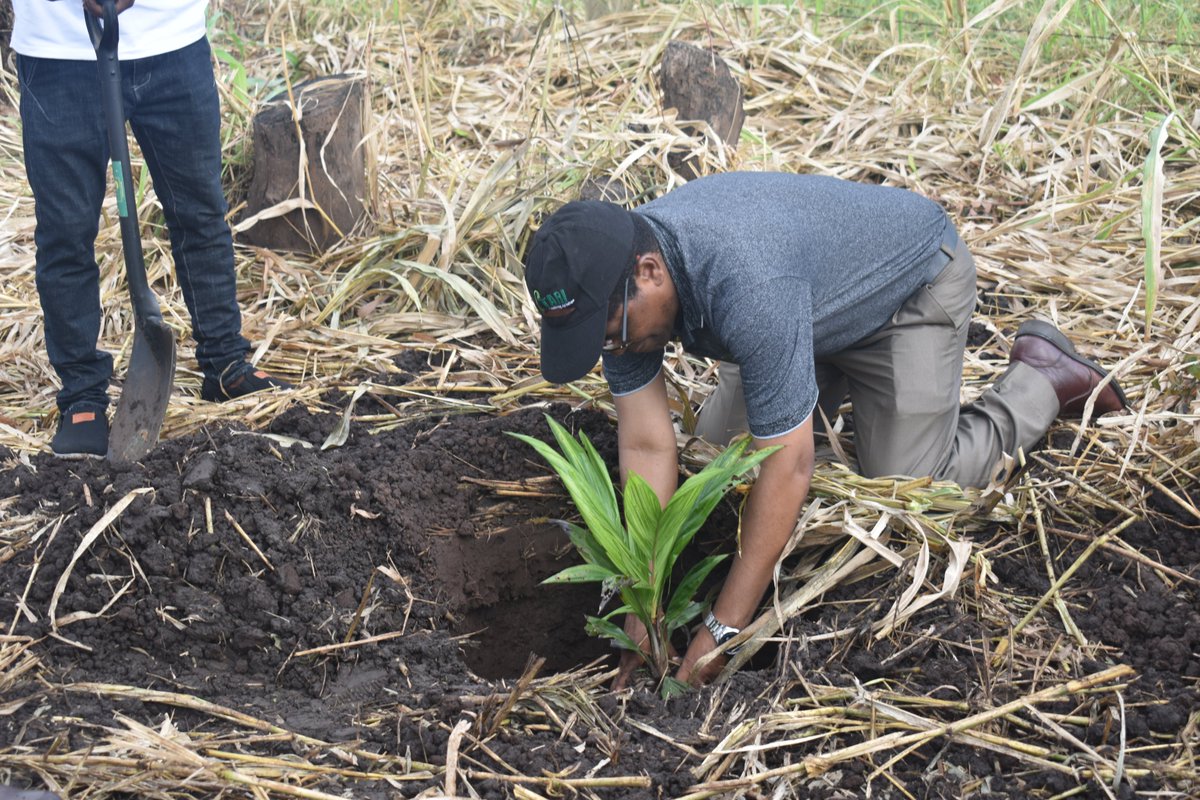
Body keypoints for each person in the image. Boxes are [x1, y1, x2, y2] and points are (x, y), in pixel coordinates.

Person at [523, 171, 1127, 687]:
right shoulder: (617, 283)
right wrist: (643, 609)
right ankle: (813, 393)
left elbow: (789, 467)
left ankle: (1043, 378)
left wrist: (724, 630)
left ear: (650, 271)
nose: (612, 350)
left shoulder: (746, 284)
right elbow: (648, 443)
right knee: (720, 458)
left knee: (911, 482)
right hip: (804, 309)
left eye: (612, 335)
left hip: (904, 293)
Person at [13, 0, 291, 458]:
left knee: (199, 214)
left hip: (172, 39)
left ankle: (225, 364)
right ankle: (82, 396)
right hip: (59, 49)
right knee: (65, 232)